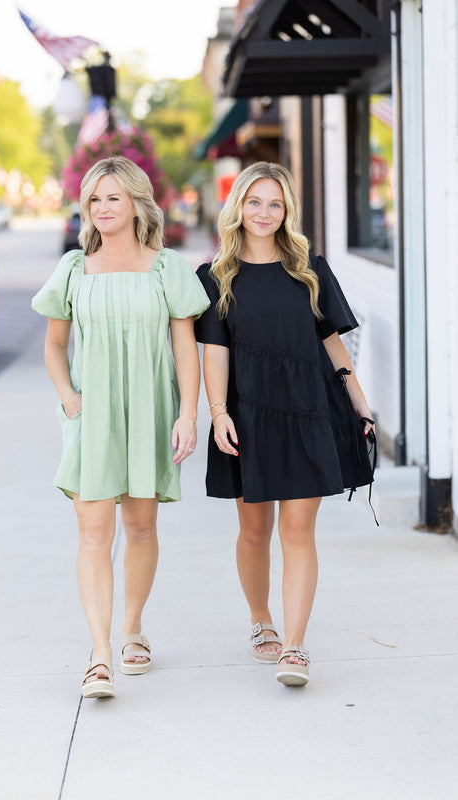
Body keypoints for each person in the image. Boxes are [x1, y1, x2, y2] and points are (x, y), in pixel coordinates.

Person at [32, 156, 210, 698]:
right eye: (94, 199)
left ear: (136, 203)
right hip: (92, 414)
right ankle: (100, 653)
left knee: (140, 530)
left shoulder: (166, 267)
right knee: (93, 534)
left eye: (113, 197)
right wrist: (68, 399)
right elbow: (55, 345)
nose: (102, 208)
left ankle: (133, 629)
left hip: (150, 411)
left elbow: (185, 345)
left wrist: (187, 413)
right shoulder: (72, 268)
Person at [194, 162, 375, 687]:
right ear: (238, 207)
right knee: (255, 529)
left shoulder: (309, 268)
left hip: (309, 410)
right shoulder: (216, 276)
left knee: (299, 529)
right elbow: (215, 352)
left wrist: (359, 402)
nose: (264, 213)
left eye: (275, 204)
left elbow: (331, 341)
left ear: (287, 210)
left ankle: (294, 647)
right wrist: (218, 413)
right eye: (255, 202)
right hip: (248, 412)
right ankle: (260, 620)